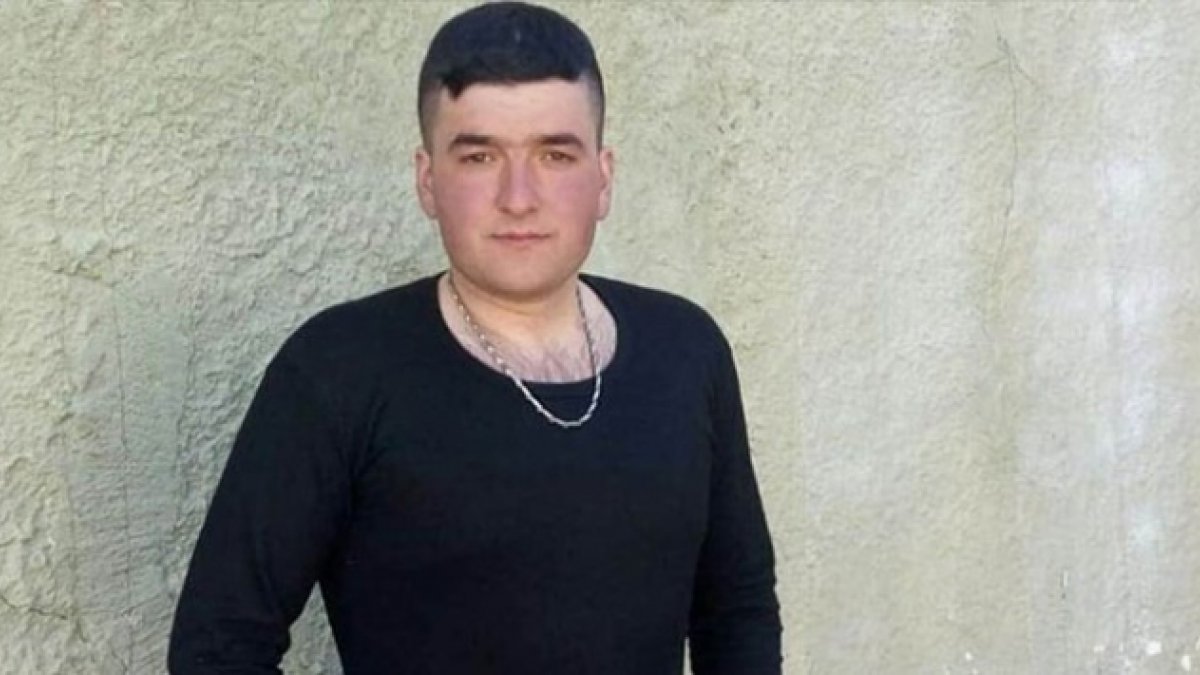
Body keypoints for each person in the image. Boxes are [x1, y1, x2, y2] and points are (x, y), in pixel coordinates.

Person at [168, 3, 781, 673]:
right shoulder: (338, 371)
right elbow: (218, 643)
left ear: (603, 178)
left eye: (555, 154)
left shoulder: (686, 350)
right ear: (428, 180)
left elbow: (737, 610)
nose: (518, 197)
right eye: (480, 156)